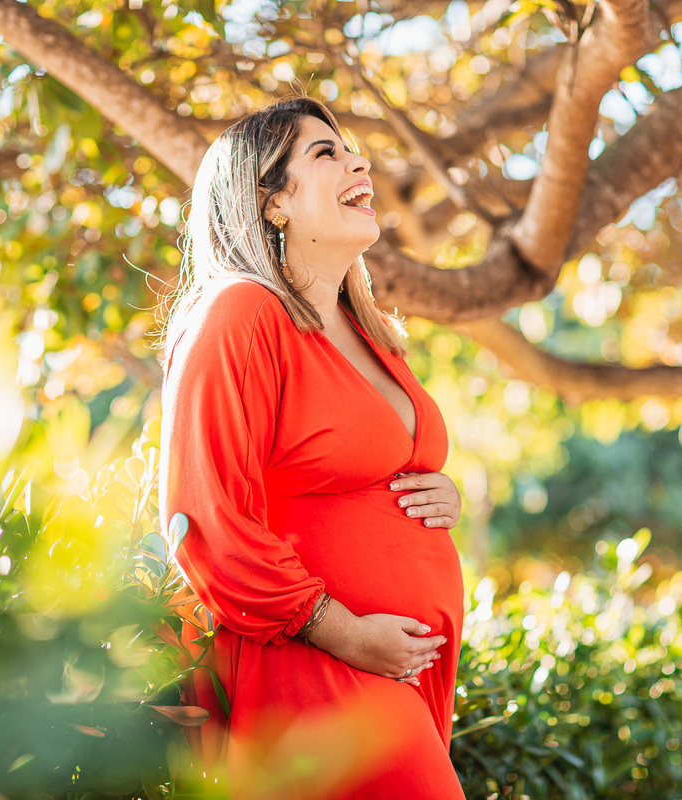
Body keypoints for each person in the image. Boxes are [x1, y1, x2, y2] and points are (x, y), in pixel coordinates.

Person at [158, 97, 466, 799]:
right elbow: (202, 517)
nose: (359, 161)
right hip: (309, 662)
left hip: (398, 672)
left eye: (350, 148)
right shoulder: (239, 313)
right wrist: (344, 632)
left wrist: (439, 492)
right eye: (325, 153)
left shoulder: (368, 328)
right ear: (272, 203)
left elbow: (371, 469)